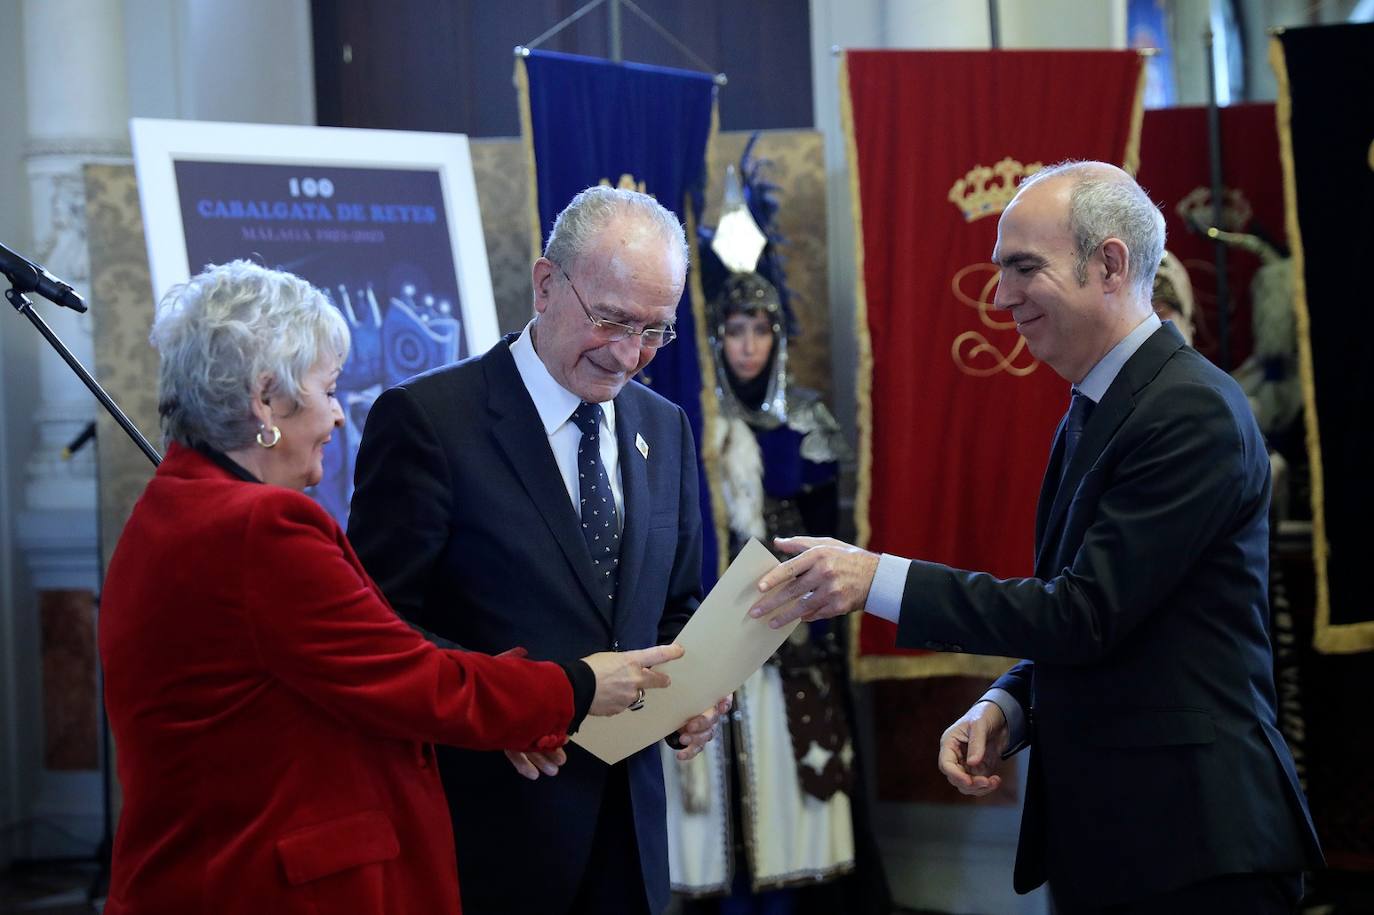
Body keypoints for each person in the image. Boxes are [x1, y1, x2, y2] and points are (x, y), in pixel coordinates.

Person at [749, 162, 1324, 913]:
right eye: (1000, 270)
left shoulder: (1190, 412)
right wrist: (1009, 704)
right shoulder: (1099, 402)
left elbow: (1084, 614)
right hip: (1120, 839)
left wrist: (874, 579)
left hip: (1196, 848)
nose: (1000, 297)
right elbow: (1107, 620)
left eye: (1024, 268)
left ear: (1109, 263)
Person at [99, 260, 684, 914]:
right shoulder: (260, 529)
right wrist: (577, 687)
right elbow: (409, 676)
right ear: (266, 399)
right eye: (328, 389)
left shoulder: (167, 508)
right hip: (261, 880)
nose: (337, 417)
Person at [348, 186, 728, 915]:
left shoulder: (666, 426)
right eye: (612, 319)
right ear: (547, 284)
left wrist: (699, 688)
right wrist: (507, 705)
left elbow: (675, 607)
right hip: (490, 835)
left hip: (633, 838)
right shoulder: (430, 422)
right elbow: (378, 630)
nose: (628, 356)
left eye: (654, 330)